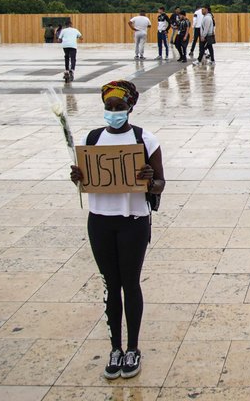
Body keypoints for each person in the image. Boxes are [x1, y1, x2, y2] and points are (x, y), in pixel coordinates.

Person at [70, 80, 165, 381]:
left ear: (130, 108)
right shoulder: (94, 137)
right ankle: (115, 347)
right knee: (111, 285)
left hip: (132, 220)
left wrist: (149, 179)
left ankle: (133, 347)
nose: (113, 112)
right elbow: (86, 179)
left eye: (119, 107)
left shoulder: (144, 139)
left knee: (130, 283)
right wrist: (78, 176)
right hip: (100, 220)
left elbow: (161, 182)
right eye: (109, 107)